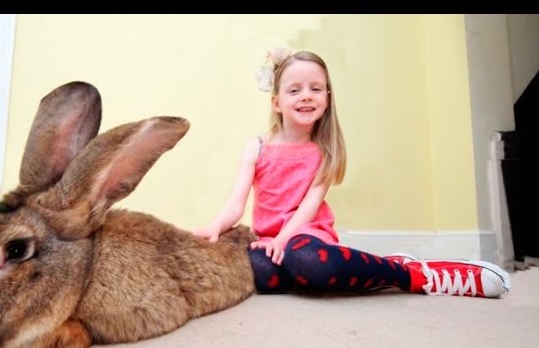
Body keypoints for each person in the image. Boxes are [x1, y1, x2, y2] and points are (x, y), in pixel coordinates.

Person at [193, 49, 511, 298]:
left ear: (327, 98)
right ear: (277, 102)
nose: (306, 95)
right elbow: (236, 204)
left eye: (316, 88)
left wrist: (284, 239)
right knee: (257, 273)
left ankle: (412, 274)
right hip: (271, 240)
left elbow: (307, 209)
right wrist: (214, 227)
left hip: (305, 236)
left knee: (307, 261)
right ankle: (347, 272)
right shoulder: (257, 147)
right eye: (294, 90)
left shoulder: (323, 151)